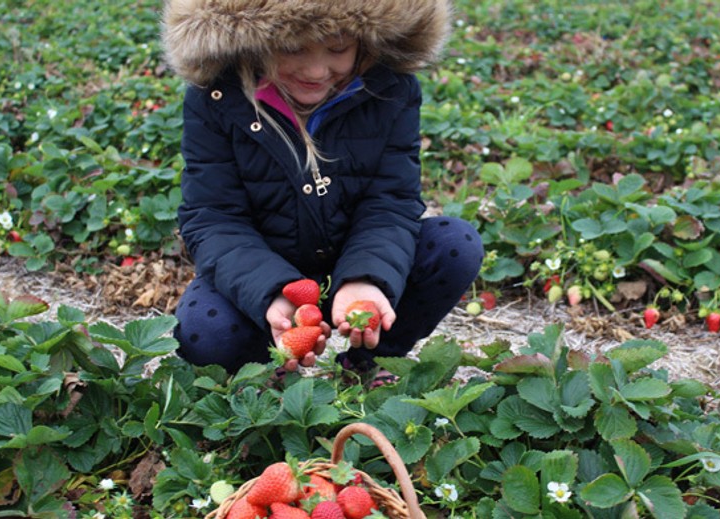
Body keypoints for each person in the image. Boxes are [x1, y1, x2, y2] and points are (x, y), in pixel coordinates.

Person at [161, 0, 483, 380]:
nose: (315, 69)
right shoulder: (217, 97)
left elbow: (390, 202)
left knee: (454, 245)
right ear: (253, 41)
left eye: (338, 47)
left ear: (366, 40)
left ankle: (371, 361)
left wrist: (366, 279)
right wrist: (275, 291)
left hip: (355, 262)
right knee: (205, 330)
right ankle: (271, 372)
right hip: (262, 272)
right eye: (293, 47)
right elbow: (213, 219)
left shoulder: (389, 90)